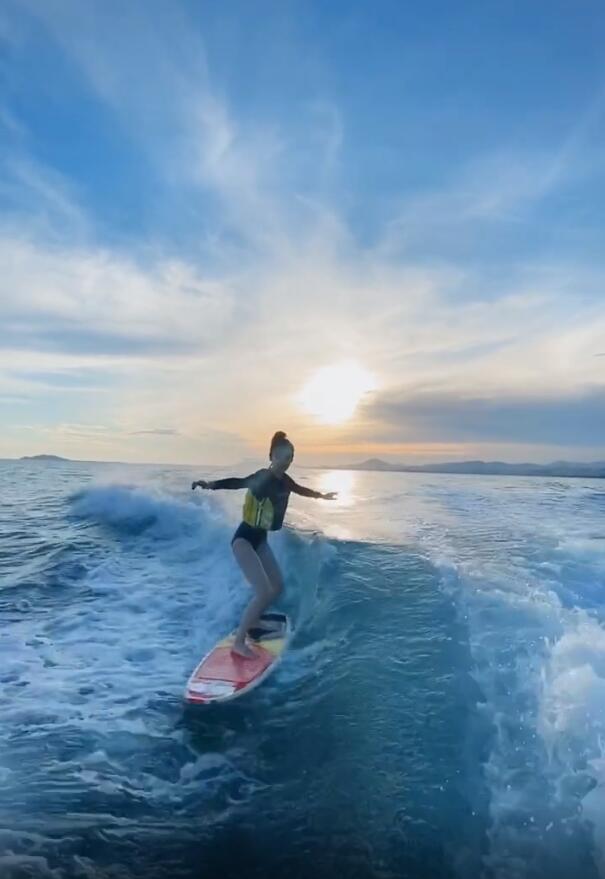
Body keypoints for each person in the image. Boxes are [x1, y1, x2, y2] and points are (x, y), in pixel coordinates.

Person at [192, 431, 337, 658]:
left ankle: (255, 621)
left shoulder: (285, 481)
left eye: (290, 457)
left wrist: (322, 496)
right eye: (283, 456)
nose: (287, 461)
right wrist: (210, 484)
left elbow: (302, 490)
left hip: (260, 540)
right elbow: (238, 483)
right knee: (263, 592)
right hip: (244, 540)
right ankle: (239, 643)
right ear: (272, 456)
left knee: (276, 587)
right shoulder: (263, 477)